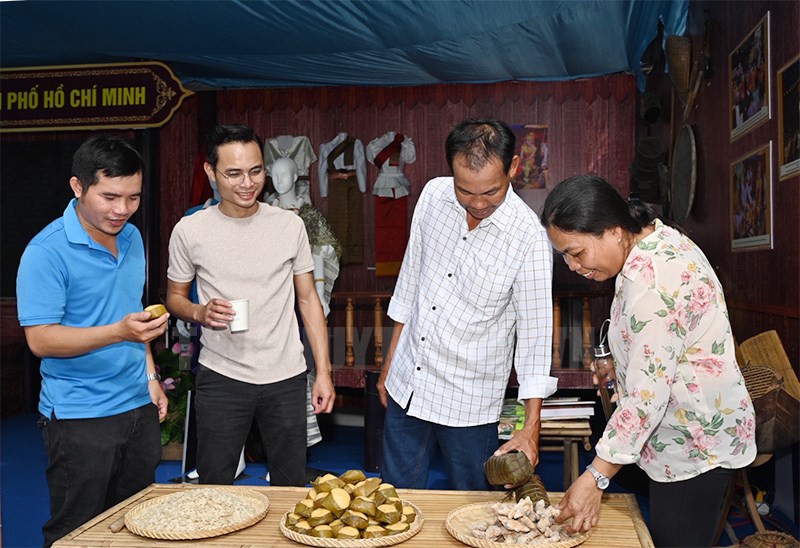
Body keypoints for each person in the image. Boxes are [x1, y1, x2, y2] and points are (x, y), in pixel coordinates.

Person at [540, 174, 756, 547]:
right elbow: (661, 346)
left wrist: (596, 477)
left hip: (695, 443)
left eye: (576, 252)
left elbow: (646, 398)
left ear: (612, 230)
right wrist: (622, 364)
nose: (572, 266)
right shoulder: (653, 239)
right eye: (563, 256)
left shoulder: (652, 282)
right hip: (684, 430)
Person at [376, 117, 557, 490]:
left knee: (473, 507)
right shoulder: (432, 196)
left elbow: (536, 339)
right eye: (465, 190)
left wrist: (530, 429)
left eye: (491, 192)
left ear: (513, 168)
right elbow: (410, 281)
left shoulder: (529, 239)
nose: (477, 203)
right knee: (393, 497)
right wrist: (390, 362)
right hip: (410, 380)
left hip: (470, 401)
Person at [16, 135, 169, 547]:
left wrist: (150, 376)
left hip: (137, 406)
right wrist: (119, 331)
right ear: (78, 186)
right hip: (79, 414)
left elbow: (131, 310)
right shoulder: (45, 252)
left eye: (133, 198)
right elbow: (41, 341)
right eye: (110, 197)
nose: (122, 210)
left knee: (140, 524)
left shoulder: (133, 238)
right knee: (77, 531)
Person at [165, 123, 335, 486]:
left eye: (256, 171)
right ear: (211, 172)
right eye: (234, 173)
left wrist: (322, 372)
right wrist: (199, 312)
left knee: (290, 485)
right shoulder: (189, 231)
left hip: (286, 376)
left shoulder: (289, 225)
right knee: (215, 485)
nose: (248, 183)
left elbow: (308, 300)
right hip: (222, 375)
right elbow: (174, 298)